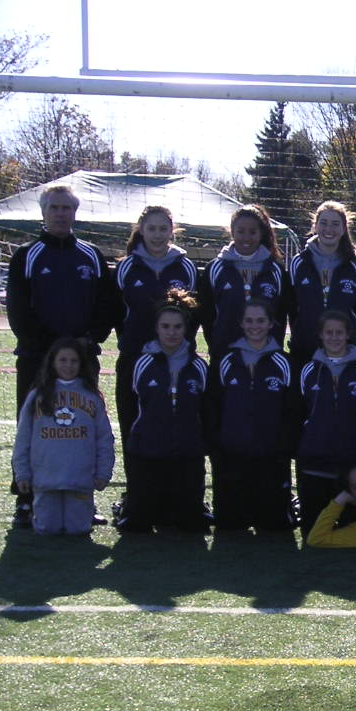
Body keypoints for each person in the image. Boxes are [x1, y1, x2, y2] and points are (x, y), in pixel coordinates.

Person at [6, 182, 117, 528]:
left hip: (82, 359)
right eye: (54, 207)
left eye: (66, 208)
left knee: (82, 427)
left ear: (75, 213)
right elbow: (18, 311)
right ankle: (26, 499)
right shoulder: (26, 255)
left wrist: (88, 340)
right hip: (37, 358)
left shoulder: (91, 255)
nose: (60, 214)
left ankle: (83, 496)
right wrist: (51, 348)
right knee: (35, 427)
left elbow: (107, 305)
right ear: (43, 212)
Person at [115, 290, 210, 533]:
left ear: (186, 329)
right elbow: (129, 411)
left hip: (187, 455)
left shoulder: (199, 367)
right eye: (165, 326)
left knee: (191, 526)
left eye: (177, 327)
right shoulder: (140, 365)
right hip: (148, 454)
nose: (171, 332)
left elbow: (206, 412)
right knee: (138, 525)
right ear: (156, 328)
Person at [207, 299, 301, 533]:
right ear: (241, 323)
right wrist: (218, 445)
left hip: (271, 457)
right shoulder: (226, 361)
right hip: (232, 455)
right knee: (229, 527)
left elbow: (293, 411)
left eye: (260, 320)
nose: (254, 326)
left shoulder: (284, 363)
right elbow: (213, 407)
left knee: (274, 527)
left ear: (271, 324)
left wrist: (283, 446)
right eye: (249, 320)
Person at [114, 205, 198, 448]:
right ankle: (136, 473)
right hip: (134, 357)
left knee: (175, 424)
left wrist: (178, 345)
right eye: (151, 229)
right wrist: (133, 343)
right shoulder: (126, 267)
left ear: (172, 230)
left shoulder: (186, 267)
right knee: (133, 425)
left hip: (177, 359)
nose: (157, 234)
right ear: (141, 230)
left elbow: (194, 315)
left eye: (163, 229)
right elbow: (116, 312)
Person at [12, 337, 114, 536]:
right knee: (47, 529)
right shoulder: (37, 396)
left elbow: (104, 438)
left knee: (78, 530)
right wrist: (22, 473)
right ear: (52, 362)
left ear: (81, 364)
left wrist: (103, 472)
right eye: (63, 360)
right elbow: (23, 438)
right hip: (46, 478)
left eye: (74, 361)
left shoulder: (92, 397)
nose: (68, 365)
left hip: (80, 478)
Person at [296, 309, 356, 534]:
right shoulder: (308, 370)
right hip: (316, 460)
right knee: (312, 532)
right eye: (329, 332)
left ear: (348, 335)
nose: (334, 337)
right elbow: (302, 412)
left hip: (352, 460)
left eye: (339, 332)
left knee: (353, 531)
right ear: (321, 335)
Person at [198, 204, 290, 365]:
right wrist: (217, 347)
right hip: (224, 357)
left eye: (252, 232)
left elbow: (281, 316)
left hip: (265, 359)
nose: (246, 238)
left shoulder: (276, 270)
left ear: (261, 233)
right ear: (232, 231)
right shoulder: (215, 269)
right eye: (241, 231)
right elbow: (207, 316)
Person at [287, 201, 356, 369]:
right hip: (305, 350)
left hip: (345, 352)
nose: (329, 229)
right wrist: (301, 333)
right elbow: (292, 307)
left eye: (335, 224)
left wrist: (354, 337)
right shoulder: (299, 262)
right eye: (324, 223)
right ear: (315, 225)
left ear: (344, 228)